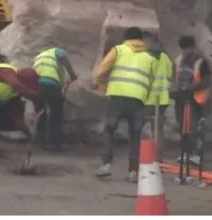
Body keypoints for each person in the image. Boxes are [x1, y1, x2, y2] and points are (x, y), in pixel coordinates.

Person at [92, 27, 156, 182]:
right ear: (141, 39)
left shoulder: (119, 50)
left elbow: (102, 69)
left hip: (117, 98)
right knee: (135, 135)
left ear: (126, 38)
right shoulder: (150, 58)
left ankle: (106, 164)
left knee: (109, 130)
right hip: (138, 101)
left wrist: (97, 83)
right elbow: (151, 82)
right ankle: (133, 171)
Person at [172, 35, 211, 165]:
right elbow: (174, 78)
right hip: (181, 99)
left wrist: (193, 87)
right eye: (182, 49)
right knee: (182, 127)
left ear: (192, 48)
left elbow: (207, 81)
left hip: (197, 99)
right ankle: (186, 153)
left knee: (195, 128)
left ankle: (197, 155)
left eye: (186, 49)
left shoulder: (200, 62)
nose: (184, 52)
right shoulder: (177, 61)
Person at [32, 47, 78, 151]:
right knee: (56, 113)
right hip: (51, 85)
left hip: (37, 86)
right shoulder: (55, 51)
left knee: (41, 113)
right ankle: (54, 143)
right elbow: (63, 56)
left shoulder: (37, 57)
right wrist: (72, 75)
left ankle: (40, 141)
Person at [143, 32, 173, 158]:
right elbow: (170, 75)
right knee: (158, 126)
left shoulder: (145, 56)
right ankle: (159, 153)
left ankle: (149, 153)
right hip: (163, 97)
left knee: (144, 124)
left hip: (149, 97)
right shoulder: (165, 57)